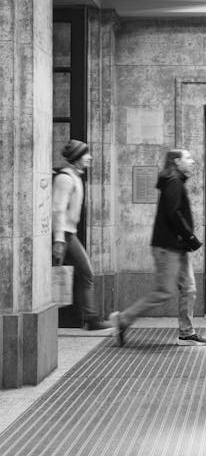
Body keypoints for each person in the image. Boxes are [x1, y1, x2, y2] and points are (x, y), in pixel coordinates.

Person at [110, 148, 206, 347]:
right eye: (187, 158)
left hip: (177, 246)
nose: (192, 161)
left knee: (189, 289)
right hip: (168, 247)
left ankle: (186, 332)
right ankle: (123, 319)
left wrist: (187, 240)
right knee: (164, 291)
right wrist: (190, 236)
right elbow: (173, 214)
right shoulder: (173, 183)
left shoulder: (175, 181)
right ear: (175, 161)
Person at [52, 139, 110, 331]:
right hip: (64, 235)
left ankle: (88, 317)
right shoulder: (65, 179)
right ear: (77, 157)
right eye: (86, 154)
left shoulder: (75, 177)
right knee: (82, 274)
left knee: (85, 274)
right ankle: (88, 318)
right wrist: (59, 239)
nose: (90, 157)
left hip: (70, 233)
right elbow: (57, 210)